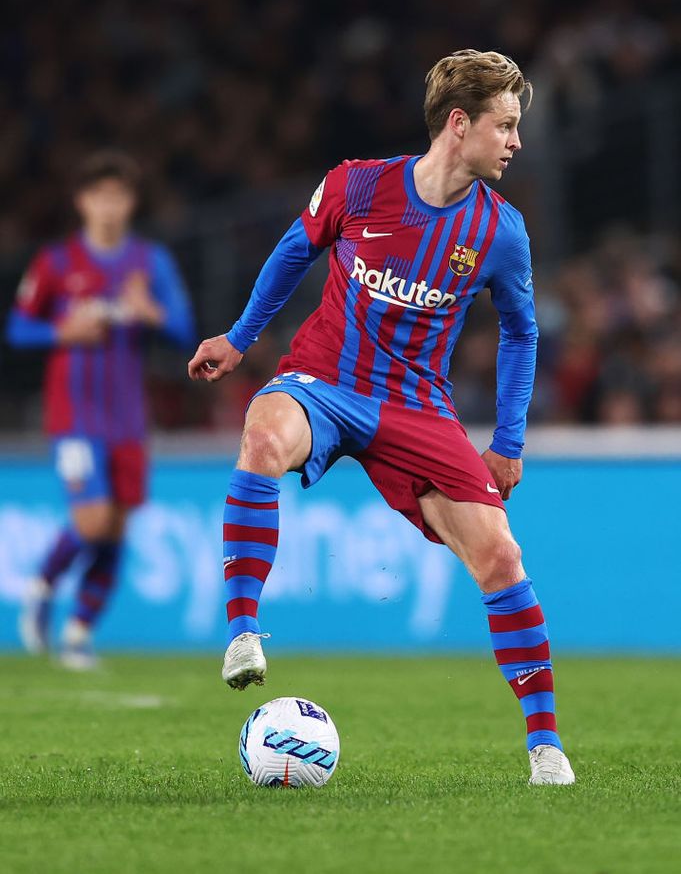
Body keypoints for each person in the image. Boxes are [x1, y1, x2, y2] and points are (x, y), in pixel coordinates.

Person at [188, 50, 575, 785]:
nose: (516, 141)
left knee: (501, 558)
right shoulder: (357, 184)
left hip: (416, 407)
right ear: (459, 124)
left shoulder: (500, 231)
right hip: (324, 380)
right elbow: (292, 252)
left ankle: (546, 747)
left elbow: (521, 332)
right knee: (262, 437)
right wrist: (238, 339)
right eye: (504, 125)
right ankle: (242, 632)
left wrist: (508, 440)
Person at [7, 150, 195, 668]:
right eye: (99, 196)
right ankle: (43, 586)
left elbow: (185, 330)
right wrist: (60, 331)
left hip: (128, 417)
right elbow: (18, 328)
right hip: (73, 416)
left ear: (131, 203)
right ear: (82, 202)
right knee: (91, 520)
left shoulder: (150, 263)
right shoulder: (57, 262)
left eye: (119, 196)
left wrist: (150, 312)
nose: (109, 206)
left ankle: (78, 634)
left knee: (115, 527)